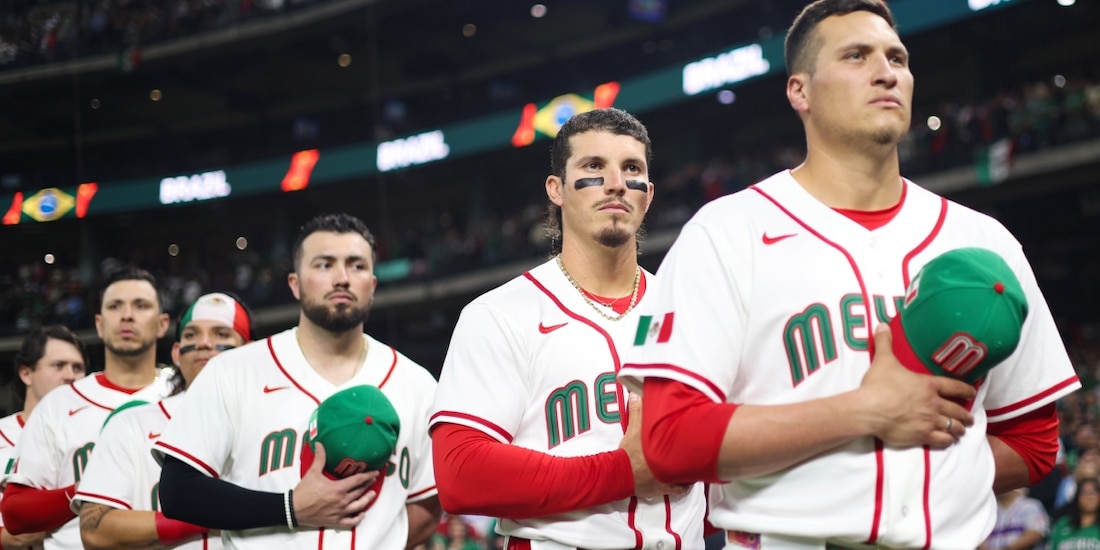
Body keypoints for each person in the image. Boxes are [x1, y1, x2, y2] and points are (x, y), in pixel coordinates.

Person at [616, 1, 1080, 548]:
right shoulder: (727, 230)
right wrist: (864, 413)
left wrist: (928, 481)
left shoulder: (984, 240)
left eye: (897, 57)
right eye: (856, 56)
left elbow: (1032, 443)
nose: (887, 72)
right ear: (800, 92)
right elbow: (669, 441)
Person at [430, 108, 705, 549]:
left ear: (648, 194)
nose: (616, 182)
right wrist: (622, 471)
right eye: (594, 166)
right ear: (556, 189)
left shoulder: (692, 308)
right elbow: (461, 474)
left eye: (631, 168)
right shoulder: (499, 314)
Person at [153, 213, 441, 549]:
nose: (343, 278)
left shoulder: (418, 384)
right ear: (295, 283)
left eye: (357, 266)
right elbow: (178, 491)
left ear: (373, 285)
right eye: (324, 265)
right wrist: (289, 508)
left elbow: (428, 503)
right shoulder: (232, 370)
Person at [2, 266, 176, 549]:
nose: (127, 315)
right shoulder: (58, 404)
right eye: (115, 306)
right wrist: (86, 490)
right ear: (99, 323)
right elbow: (15, 514)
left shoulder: (187, 395)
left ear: (162, 323)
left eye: (141, 305)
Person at [73, 292, 255, 549]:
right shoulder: (130, 423)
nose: (204, 343)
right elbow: (94, 530)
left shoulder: (276, 419)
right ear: (177, 353)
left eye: (221, 334)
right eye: (191, 335)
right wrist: (210, 517)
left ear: (251, 351)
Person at [0, 325, 89, 549]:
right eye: (58, 366)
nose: (70, 376)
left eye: (78, 368)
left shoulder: (94, 434)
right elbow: (20, 535)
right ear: (26, 373)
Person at [979, 488, 1050, 550]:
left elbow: (1035, 535)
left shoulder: (1031, 506)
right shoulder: (988, 510)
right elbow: (978, 537)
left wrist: (1006, 549)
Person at [1049, 477, 1100, 549]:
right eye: (1084, 492)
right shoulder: (1063, 525)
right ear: (1077, 497)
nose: (1089, 496)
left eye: (1094, 491)